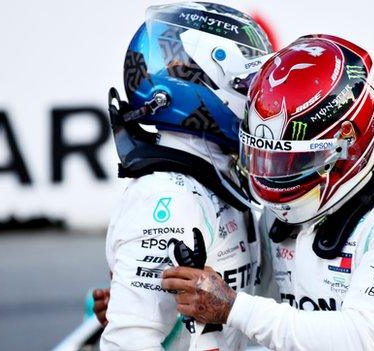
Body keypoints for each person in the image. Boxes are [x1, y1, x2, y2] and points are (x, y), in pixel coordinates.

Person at [162, 34, 374, 351]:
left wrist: (232, 306)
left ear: (349, 141)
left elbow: (361, 339)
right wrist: (161, 316)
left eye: (297, 159)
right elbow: (250, 329)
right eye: (268, 158)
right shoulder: (281, 218)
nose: (278, 176)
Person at [99, 3, 274, 350]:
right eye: (245, 85)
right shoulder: (166, 199)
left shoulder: (220, 178)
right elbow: (129, 343)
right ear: (191, 84)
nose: (259, 99)